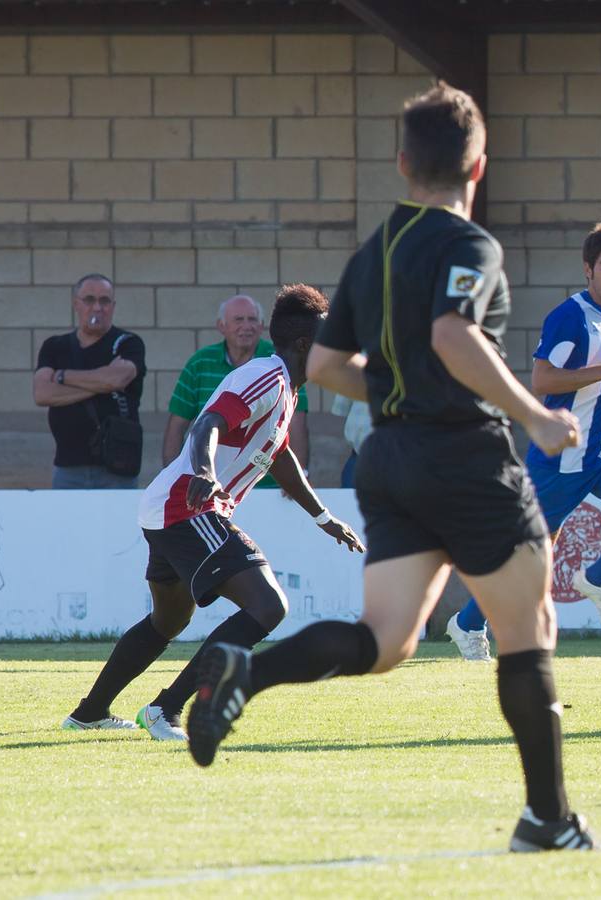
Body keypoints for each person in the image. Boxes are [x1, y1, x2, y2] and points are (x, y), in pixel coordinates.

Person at [175, 83, 601, 853]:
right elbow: (453, 335)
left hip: (390, 460)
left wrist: (403, 390)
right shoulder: (472, 246)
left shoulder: (374, 251)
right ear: (480, 163)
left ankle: (247, 670)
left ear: (403, 162)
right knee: (528, 631)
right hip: (466, 457)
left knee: (386, 640)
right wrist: (536, 415)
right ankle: (547, 821)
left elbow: (331, 364)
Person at [61, 284, 360, 740]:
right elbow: (208, 422)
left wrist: (323, 517)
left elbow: (280, 457)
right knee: (268, 605)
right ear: (305, 345)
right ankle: (165, 709)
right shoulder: (266, 376)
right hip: (189, 504)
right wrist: (204, 471)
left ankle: (89, 713)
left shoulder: (286, 391)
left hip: (170, 507)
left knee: (168, 621)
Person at [449, 224, 601, 661]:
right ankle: (468, 623)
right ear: (588, 269)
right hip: (562, 457)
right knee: (529, 561)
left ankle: (598, 579)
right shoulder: (569, 316)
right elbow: (543, 380)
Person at [163, 294, 309, 488]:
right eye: (238, 319)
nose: (246, 326)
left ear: (262, 325)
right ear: (221, 326)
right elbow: (177, 426)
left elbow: (296, 425)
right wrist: (173, 479)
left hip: (268, 487)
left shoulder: (282, 361)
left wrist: (299, 478)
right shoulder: (199, 363)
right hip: (211, 485)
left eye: (252, 319)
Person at [34, 274, 147, 488]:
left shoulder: (128, 343)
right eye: (89, 300)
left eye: (104, 301)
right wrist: (102, 383)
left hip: (118, 466)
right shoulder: (55, 346)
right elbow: (42, 393)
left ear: (113, 306)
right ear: (76, 304)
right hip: (68, 467)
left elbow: (117, 379)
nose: (97, 307)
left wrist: (62, 377)